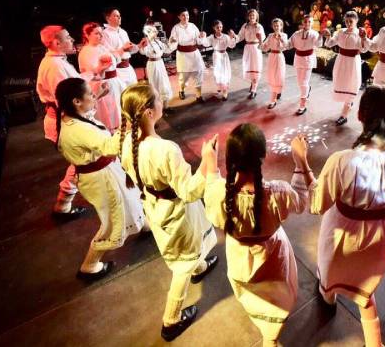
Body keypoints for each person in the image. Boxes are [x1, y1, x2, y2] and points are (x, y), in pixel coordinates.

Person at [297, 86, 385, 347]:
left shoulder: (343, 161)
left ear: (361, 115)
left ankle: (328, 295)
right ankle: (374, 341)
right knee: (366, 287)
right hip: (380, 232)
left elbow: (317, 204)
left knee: (332, 270)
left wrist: (302, 163)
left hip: (343, 231)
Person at [119, 83, 220, 342]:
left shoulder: (127, 142)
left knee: (185, 252)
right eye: (158, 99)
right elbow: (189, 191)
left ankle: (199, 266)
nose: (162, 101)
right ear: (149, 112)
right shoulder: (165, 149)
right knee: (182, 264)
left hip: (155, 207)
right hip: (176, 212)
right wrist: (208, 161)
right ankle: (171, 319)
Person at [203, 124, 314, 347]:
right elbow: (302, 201)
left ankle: (264, 326)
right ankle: (271, 336)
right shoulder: (279, 193)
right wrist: (300, 163)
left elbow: (211, 186)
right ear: (262, 156)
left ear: (230, 158)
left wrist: (210, 163)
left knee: (252, 294)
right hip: (273, 255)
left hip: (239, 257)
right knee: (277, 295)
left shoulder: (218, 194)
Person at [55, 78, 146, 280]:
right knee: (113, 221)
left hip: (104, 172)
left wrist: (98, 95)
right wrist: (129, 125)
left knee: (130, 199)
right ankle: (90, 265)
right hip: (101, 178)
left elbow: (89, 116)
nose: (93, 96)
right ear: (76, 101)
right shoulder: (79, 129)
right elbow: (110, 147)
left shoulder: (72, 117)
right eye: (90, 94)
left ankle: (145, 225)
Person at [36, 25, 86, 218]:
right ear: (57, 43)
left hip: (66, 118)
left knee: (83, 161)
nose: (72, 39)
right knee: (81, 162)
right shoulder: (54, 67)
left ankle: (63, 206)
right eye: (68, 37)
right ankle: (62, 206)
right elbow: (66, 100)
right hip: (63, 120)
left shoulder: (58, 62)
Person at [322, 10, 371, 125]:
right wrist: (328, 36)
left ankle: (344, 115)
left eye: (351, 21)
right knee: (341, 82)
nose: (348, 24)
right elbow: (330, 43)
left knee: (352, 84)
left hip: (353, 62)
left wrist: (363, 38)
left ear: (356, 21)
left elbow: (364, 49)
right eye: (346, 21)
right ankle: (348, 102)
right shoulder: (341, 32)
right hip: (341, 61)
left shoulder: (359, 33)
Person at [78, 22, 126, 131]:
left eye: (101, 33)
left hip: (114, 82)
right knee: (109, 115)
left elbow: (115, 60)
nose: (100, 36)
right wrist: (101, 70)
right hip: (103, 86)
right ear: (87, 35)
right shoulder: (86, 52)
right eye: (96, 33)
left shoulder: (102, 47)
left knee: (119, 110)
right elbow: (90, 74)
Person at [169, 8, 207, 103]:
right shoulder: (176, 28)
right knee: (183, 77)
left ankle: (198, 95)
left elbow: (199, 41)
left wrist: (202, 36)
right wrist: (172, 41)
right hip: (183, 56)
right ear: (179, 17)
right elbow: (173, 44)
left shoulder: (193, 26)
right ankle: (181, 90)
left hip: (194, 54)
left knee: (198, 73)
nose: (185, 17)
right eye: (183, 15)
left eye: (187, 15)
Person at [287, 14, 323, 115]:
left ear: (312, 23)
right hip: (298, 58)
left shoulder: (314, 34)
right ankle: (307, 90)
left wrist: (320, 36)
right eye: (305, 21)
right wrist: (281, 42)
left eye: (309, 22)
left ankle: (302, 105)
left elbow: (318, 44)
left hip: (308, 59)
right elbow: (289, 44)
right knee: (300, 82)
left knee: (304, 82)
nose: (307, 23)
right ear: (302, 22)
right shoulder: (297, 33)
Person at [101, 7, 140, 86]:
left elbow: (129, 51)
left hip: (128, 68)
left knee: (134, 91)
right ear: (108, 18)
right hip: (117, 70)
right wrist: (123, 49)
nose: (119, 17)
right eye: (116, 16)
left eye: (119, 15)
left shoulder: (123, 32)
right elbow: (109, 55)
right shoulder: (105, 34)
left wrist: (139, 46)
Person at [234, 9, 265, 99]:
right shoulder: (245, 26)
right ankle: (253, 82)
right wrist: (234, 36)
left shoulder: (259, 26)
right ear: (248, 17)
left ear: (256, 17)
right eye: (250, 15)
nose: (252, 17)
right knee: (249, 68)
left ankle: (254, 90)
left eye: (253, 15)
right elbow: (240, 37)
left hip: (255, 48)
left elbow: (262, 38)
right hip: (248, 48)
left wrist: (260, 38)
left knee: (255, 68)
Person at [139, 24, 173, 107]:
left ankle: (166, 106)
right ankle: (157, 105)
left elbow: (167, 49)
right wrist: (143, 45)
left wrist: (171, 43)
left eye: (156, 31)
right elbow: (143, 52)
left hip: (160, 63)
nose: (156, 33)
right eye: (154, 31)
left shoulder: (158, 42)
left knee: (163, 82)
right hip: (152, 65)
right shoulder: (146, 42)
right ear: (148, 33)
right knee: (155, 83)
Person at [206, 20, 237, 100]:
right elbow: (206, 43)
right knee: (218, 72)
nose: (219, 29)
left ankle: (225, 91)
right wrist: (202, 37)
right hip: (216, 56)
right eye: (217, 27)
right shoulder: (211, 37)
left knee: (224, 72)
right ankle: (220, 86)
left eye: (220, 27)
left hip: (224, 56)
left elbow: (231, 45)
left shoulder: (225, 36)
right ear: (214, 28)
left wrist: (232, 37)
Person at [261, 18, 288, 109]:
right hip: (272, 56)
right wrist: (260, 41)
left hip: (279, 57)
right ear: (272, 26)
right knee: (272, 75)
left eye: (278, 25)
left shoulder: (284, 35)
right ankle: (275, 92)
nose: (276, 27)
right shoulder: (270, 36)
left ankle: (273, 99)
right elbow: (264, 48)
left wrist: (281, 39)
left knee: (278, 76)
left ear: (281, 26)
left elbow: (286, 47)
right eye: (274, 25)